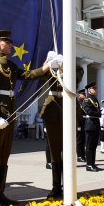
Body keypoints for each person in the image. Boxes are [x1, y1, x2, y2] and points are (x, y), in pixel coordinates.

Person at [0, 30, 56, 206]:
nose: (11, 46)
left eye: (10, 43)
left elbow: (26, 75)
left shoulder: (10, 65)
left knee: (3, 155)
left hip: (9, 114)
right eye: (8, 43)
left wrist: (45, 68)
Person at [40, 66, 84, 199]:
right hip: (52, 110)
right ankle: (56, 186)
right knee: (55, 151)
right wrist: (46, 67)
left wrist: (63, 68)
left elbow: (76, 78)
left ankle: (69, 185)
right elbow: (39, 76)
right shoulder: (51, 68)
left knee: (68, 151)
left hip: (69, 108)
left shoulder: (76, 67)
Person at [82, 82, 101, 172]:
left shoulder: (95, 99)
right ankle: (89, 165)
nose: (95, 89)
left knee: (94, 146)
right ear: (89, 89)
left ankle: (93, 164)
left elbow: (97, 112)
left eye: (95, 88)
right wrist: (99, 114)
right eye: (94, 88)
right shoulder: (86, 100)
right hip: (90, 124)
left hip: (95, 124)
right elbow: (88, 111)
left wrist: (99, 113)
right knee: (89, 146)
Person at [76, 89, 86, 163]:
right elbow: (77, 115)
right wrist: (78, 125)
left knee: (83, 141)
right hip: (79, 123)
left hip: (84, 123)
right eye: (83, 94)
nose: (84, 95)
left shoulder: (84, 102)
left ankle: (83, 155)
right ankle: (79, 156)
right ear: (79, 95)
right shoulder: (78, 103)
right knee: (79, 141)